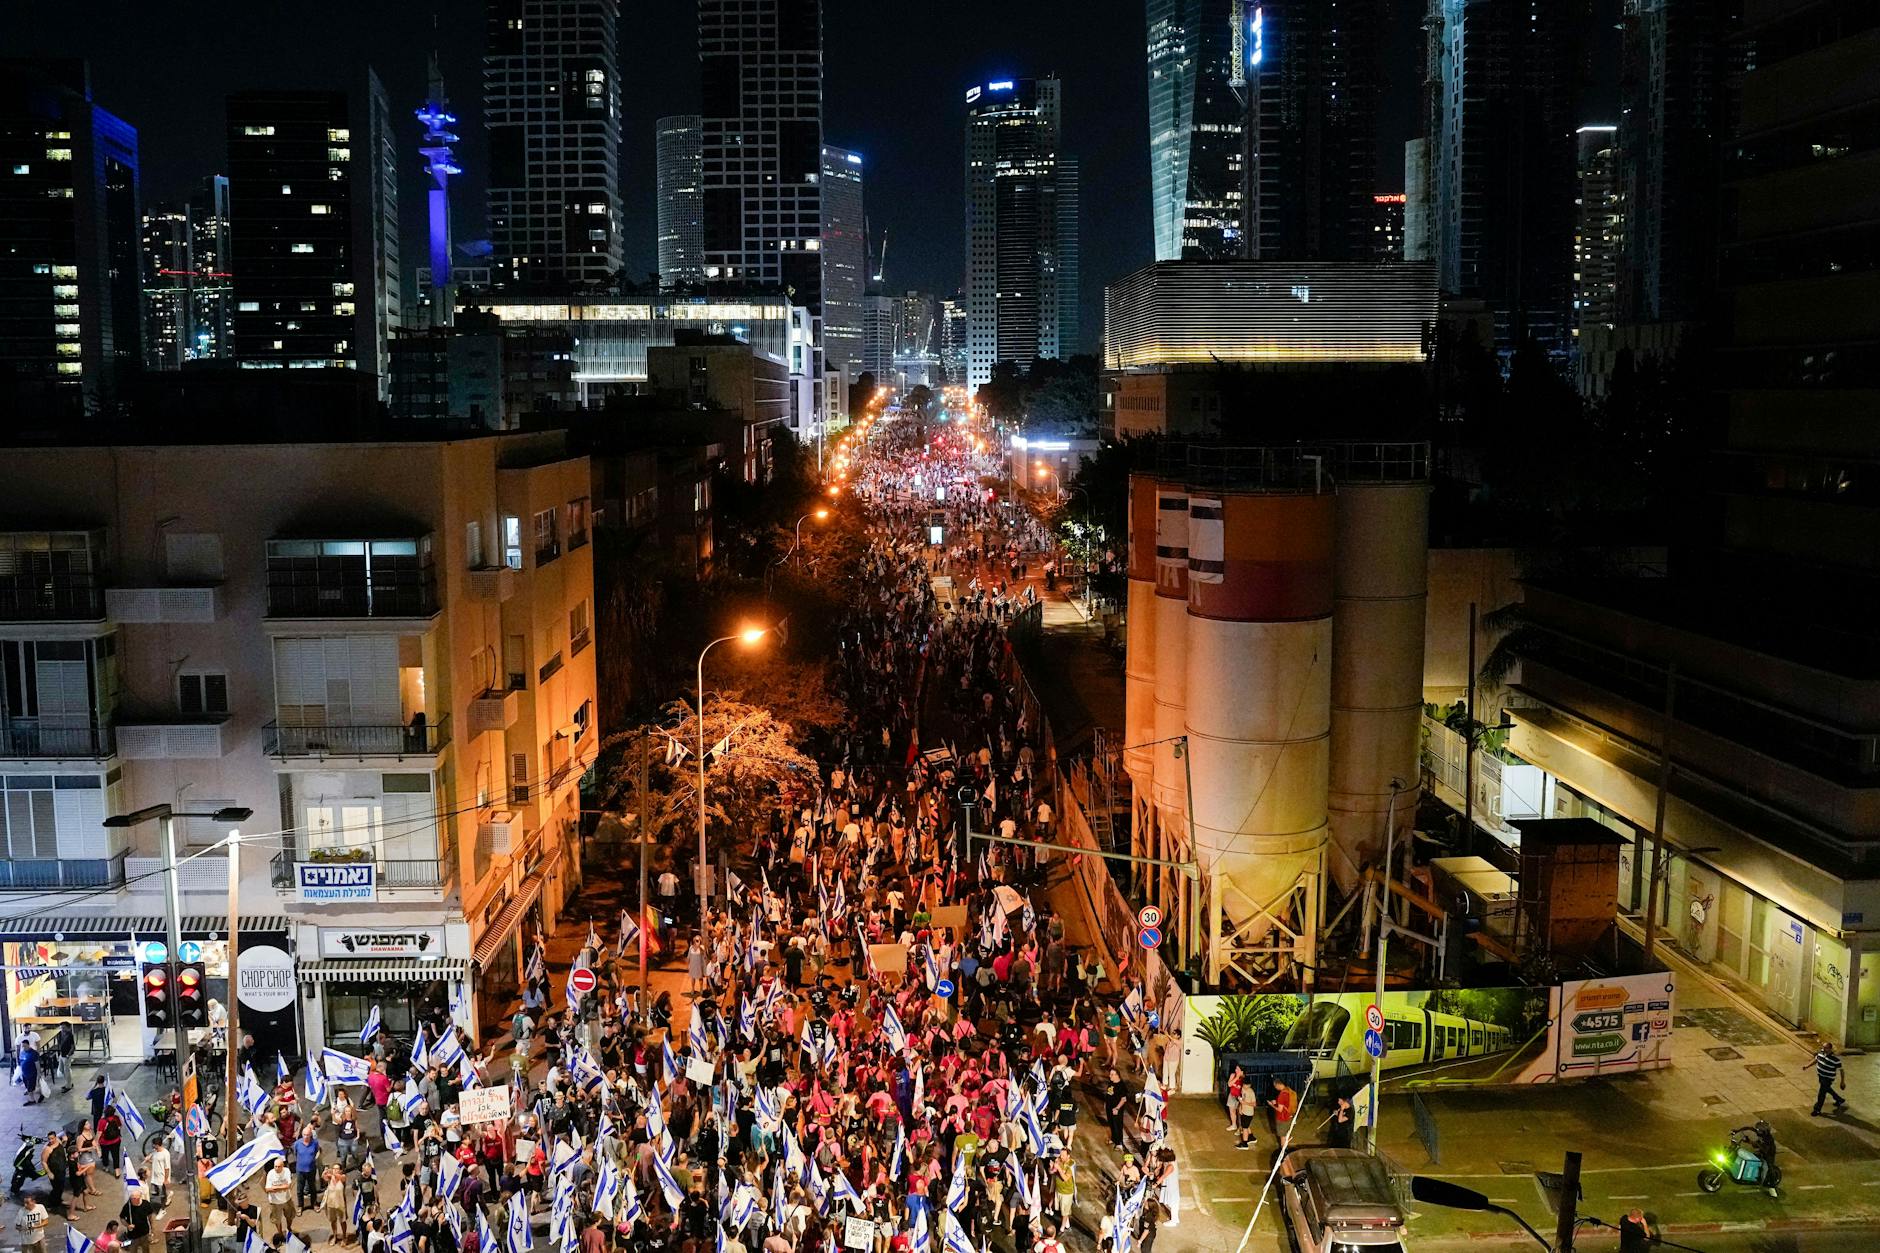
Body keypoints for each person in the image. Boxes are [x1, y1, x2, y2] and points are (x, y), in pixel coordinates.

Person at [1808, 1040, 1848, 1116]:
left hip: (1828, 1078)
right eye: (1823, 1047)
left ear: (1830, 1049)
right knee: (1827, 1089)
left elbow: (1841, 1071)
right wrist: (1807, 1066)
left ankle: (1817, 1109)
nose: (1823, 1049)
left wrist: (1842, 1081)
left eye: (1826, 1048)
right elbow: (1816, 1060)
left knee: (1822, 1093)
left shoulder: (1835, 1060)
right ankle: (1839, 1099)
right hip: (1821, 1076)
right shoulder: (1820, 1054)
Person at [119, 1184, 158, 1253]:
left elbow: (150, 1218)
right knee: (133, 1250)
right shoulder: (128, 1206)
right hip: (133, 1236)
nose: (131, 1200)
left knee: (146, 1249)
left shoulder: (146, 1204)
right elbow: (122, 1218)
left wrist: (152, 1230)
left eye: (134, 1198)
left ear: (139, 1197)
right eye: (131, 1198)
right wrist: (128, 1225)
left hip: (144, 1233)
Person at [264, 1156, 297, 1237]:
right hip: (275, 1202)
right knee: (276, 1220)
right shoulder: (271, 1174)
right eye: (275, 1166)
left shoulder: (286, 1171)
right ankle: (280, 1234)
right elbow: (267, 1189)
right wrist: (282, 1187)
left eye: (279, 1166)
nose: (277, 1168)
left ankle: (289, 1228)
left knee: (290, 1215)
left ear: (282, 1166)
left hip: (286, 1199)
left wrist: (275, 1188)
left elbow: (288, 1186)